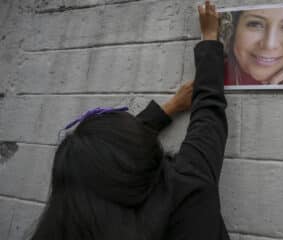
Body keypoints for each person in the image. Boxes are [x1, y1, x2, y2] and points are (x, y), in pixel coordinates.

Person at [29, 1, 230, 239]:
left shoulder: (70, 219)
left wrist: (170, 107)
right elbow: (209, 114)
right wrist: (209, 39)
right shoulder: (185, 188)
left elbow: (119, 149)